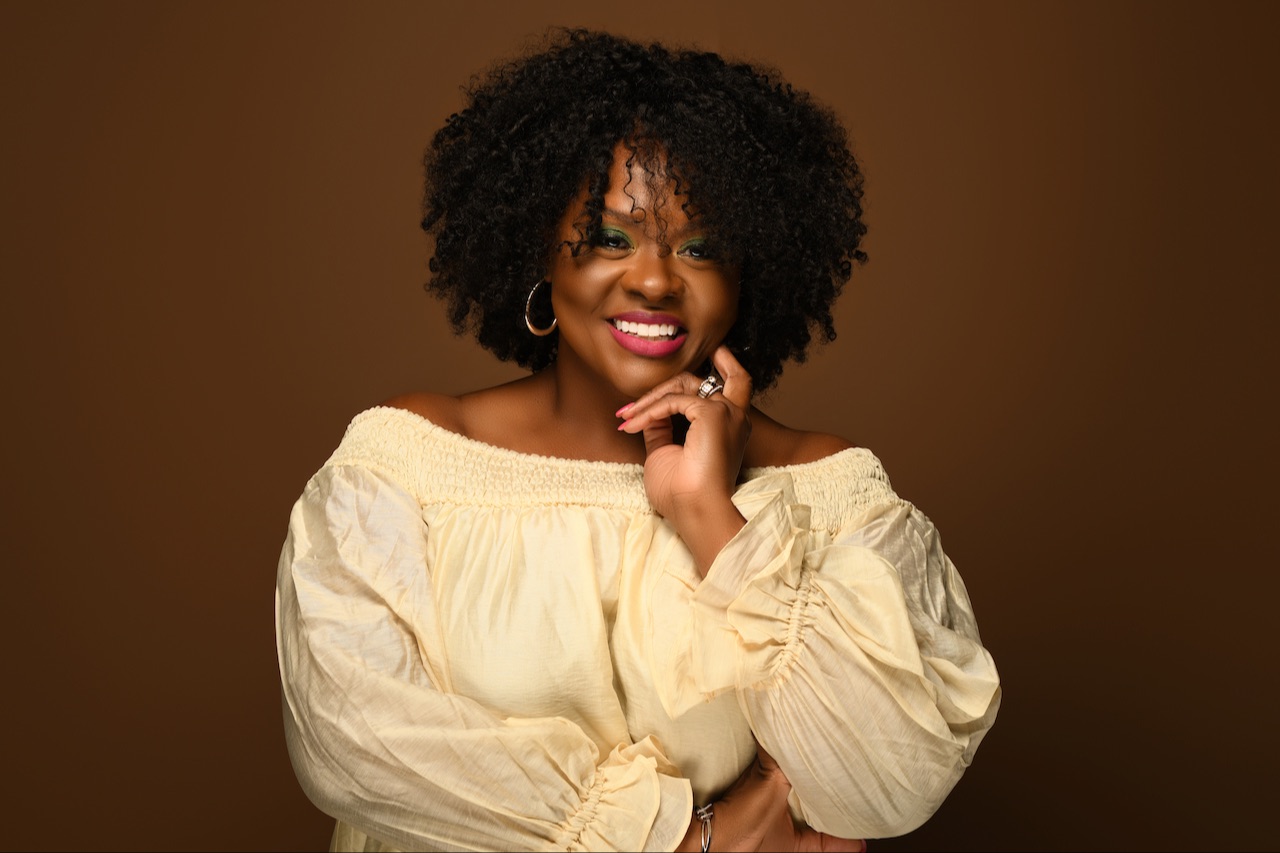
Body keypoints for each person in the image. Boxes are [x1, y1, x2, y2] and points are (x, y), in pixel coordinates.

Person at [275, 28, 1000, 853]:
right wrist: (682, 840)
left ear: (748, 275)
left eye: (700, 248)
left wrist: (709, 516)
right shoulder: (411, 466)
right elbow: (355, 740)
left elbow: (889, 779)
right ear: (540, 252)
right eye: (610, 238)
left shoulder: (829, 494)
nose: (655, 279)